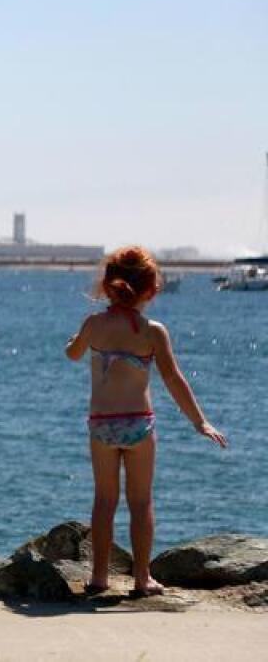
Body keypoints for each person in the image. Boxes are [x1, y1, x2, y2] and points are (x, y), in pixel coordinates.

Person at [65, 246, 227, 597]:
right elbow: (174, 379)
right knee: (141, 503)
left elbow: (73, 353)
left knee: (104, 501)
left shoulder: (94, 325)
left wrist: (75, 343)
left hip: (102, 424)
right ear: (151, 290)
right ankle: (142, 579)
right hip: (139, 425)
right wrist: (200, 422)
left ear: (108, 286)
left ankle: (98, 578)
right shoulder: (154, 332)